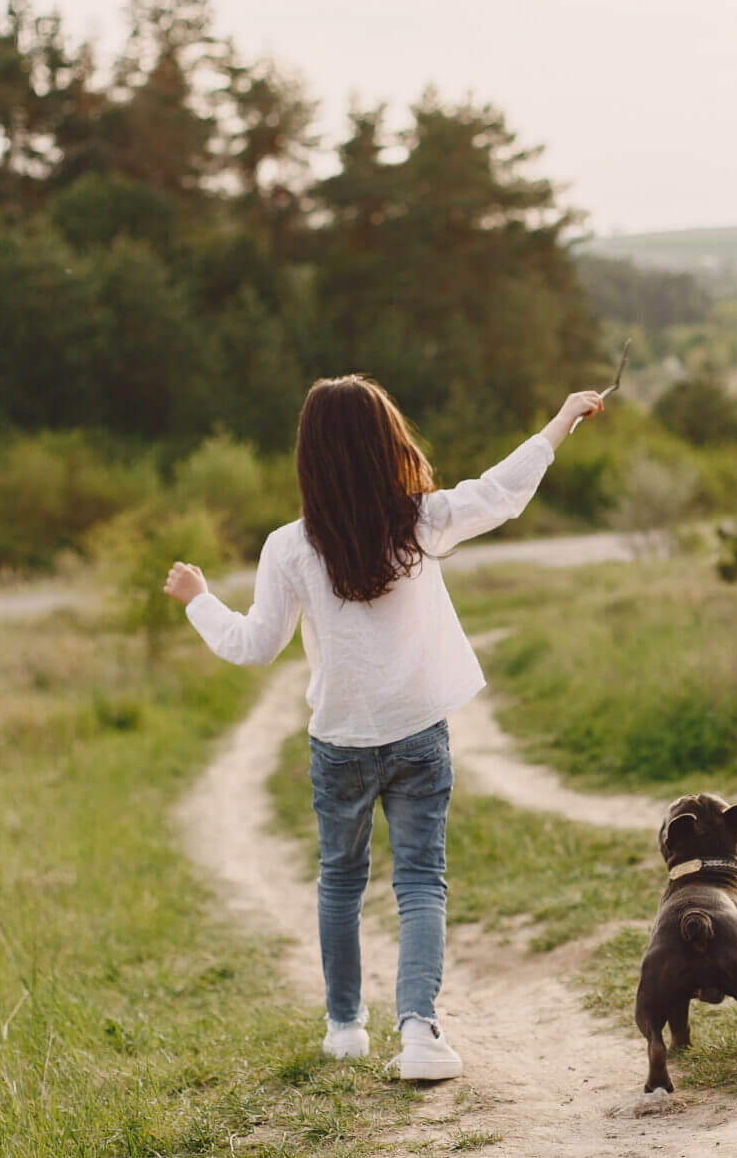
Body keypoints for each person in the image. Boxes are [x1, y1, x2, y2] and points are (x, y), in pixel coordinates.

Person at [164, 376, 604, 1079]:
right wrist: (560, 420)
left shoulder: (289, 547)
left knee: (339, 880)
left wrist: (199, 600)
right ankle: (420, 1031)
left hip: (338, 741)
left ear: (308, 456)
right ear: (386, 443)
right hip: (419, 734)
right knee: (421, 878)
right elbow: (500, 491)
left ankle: (344, 1027)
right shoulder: (418, 520)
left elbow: (252, 644)